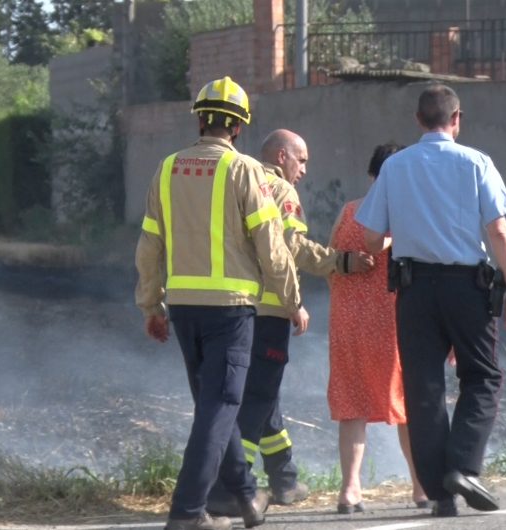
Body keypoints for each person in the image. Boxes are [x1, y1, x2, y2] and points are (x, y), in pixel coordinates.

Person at [135, 77, 310, 530]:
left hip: (184, 308)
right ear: (237, 128)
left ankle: (248, 499)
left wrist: (151, 305)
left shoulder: (167, 167)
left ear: (199, 119)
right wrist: (291, 300)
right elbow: (272, 245)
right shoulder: (246, 171)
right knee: (219, 408)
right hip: (231, 310)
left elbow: (150, 244)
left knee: (215, 406)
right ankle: (189, 512)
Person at [355, 84, 506, 517]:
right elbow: (499, 231)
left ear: (417, 120)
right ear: (457, 119)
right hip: (469, 287)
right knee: (481, 377)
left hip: (413, 290)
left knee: (423, 387)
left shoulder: (395, 167)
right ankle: (463, 467)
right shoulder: (476, 162)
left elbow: (372, 238)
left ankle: (439, 494)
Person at [207, 129, 374, 516]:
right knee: (258, 397)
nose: (304, 170)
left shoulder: (235, 181)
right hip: (270, 310)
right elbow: (294, 248)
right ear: (282, 157)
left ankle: (284, 478)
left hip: (231, 309)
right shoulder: (280, 191)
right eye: (302, 160)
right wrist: (342, 262)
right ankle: (233, 487)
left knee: (266, 394)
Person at [328, 143, 453, 514]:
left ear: (370, 174)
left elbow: (330, 260)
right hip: (393, 321)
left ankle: (350, 491)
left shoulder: (348, 210)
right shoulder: (406, 217)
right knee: (407, 404)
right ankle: (420, 486)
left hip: (347, 321)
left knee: (352, 404)